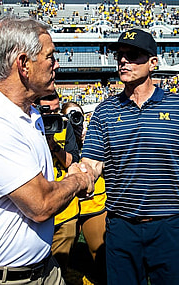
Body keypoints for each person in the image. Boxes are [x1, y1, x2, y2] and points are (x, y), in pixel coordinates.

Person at [0, 16, 94, 285]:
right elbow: (40, 204)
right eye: (50, 56)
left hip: (42, 270)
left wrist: (69, 168)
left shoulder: (29, 112)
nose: (56, 65)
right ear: (23, 64)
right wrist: (78, 179)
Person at [81, 28, 179, 285]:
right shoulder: (104, 112)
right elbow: (92, 163)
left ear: (153, 63)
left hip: (172, 227)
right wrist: (80, 175)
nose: (123, 60)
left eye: (133, 55)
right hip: (122, 227)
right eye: (120, 55)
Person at [34, 92, 80, 278]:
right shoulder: (27, 126)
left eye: (56, 110)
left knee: (59, 269)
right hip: (36, 203)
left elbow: (72, 161)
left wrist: (53, 145)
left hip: (65, 209)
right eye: (47, 111)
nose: (52, 115)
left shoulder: (64, 126)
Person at [62, 101, 107, 285]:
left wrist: (87, 141)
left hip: (93, 201)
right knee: (64, 255)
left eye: (78, 115)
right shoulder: (57, 133)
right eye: (70, 116)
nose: (75, 120)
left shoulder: (93, 135)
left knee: (100, 253)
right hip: (67, 204)